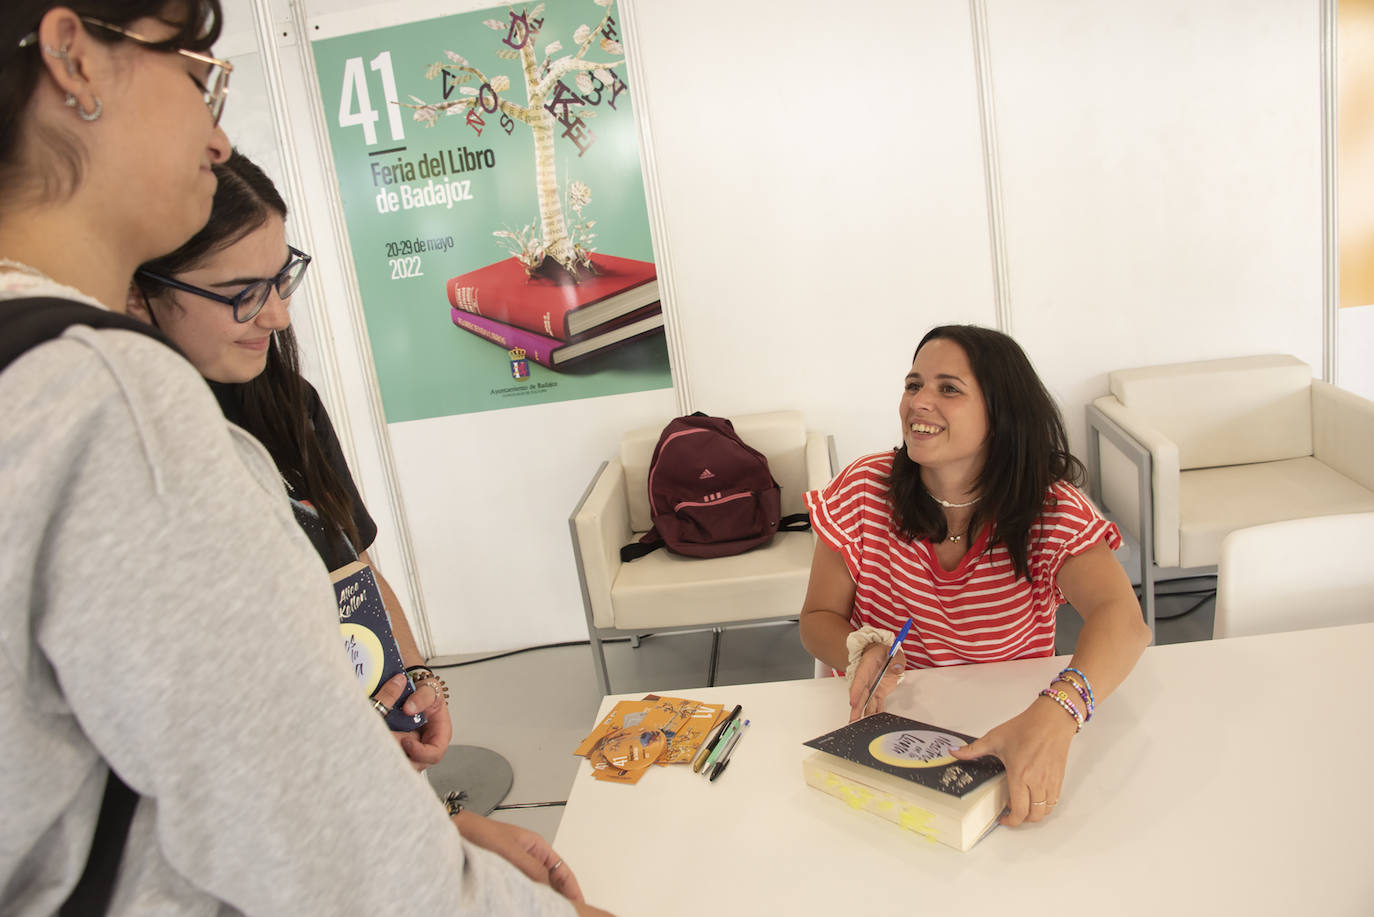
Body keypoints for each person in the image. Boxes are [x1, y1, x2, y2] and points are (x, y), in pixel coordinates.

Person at [0, 2, 607, 913]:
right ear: (73, 59)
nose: (215, 140)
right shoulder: (105, 395)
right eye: (200, 73)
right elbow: (326, 847)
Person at [130, 149, 451, 770]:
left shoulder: (287, 402)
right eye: (242, 293)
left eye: (281, 278)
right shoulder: (136, 455)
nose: (277, 314)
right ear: (142, 292)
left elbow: (351, 561)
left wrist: (413, 679)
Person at [799, 324, 1152, 829]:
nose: (919, 401)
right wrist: (858, 649)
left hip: (1011, 725)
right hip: (885, 729)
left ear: (1001, 411)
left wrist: (1058, 716)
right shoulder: (863, 489)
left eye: (948, 388)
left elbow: (1123, 620)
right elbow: (816, 618)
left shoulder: (1049, 511)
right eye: (913, 383)